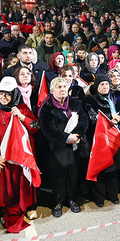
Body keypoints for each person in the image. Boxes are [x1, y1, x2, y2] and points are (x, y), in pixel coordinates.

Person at [0, 77, 41, 232]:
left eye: (7, 94)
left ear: (14, 94)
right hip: (3, 161)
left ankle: (29, 206)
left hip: (21, 161)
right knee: (5, 190)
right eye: (1, 93)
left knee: (24, 185)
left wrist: (22, 117)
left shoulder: (22, 109)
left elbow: (36, 128)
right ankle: (7, 210)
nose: (3, 97)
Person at [38, 76, 88, 218]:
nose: (62, 89)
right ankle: (58, 202)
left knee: (73, 174)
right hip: (56, 148)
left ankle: (72, 199)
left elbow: (84, 120)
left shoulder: (75, 102)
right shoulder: (47, 107)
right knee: (57, 177)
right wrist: (66, 138)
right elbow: (48, 129)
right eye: (59, 87)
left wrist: (76, 135)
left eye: (65, 86)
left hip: (74, 145)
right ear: (52, 90)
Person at [82, 74, 120, 206]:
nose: (105, 86)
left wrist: (119, 118)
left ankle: (113, 195)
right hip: (101, 139)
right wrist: (110, 120)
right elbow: (93, 118)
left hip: (117, 137)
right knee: (101, 168)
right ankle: (99, 197)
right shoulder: (90, 100)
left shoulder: (118, 96)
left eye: (107, 84)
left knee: (114, 168)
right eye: (102, 84)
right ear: (97, 86)